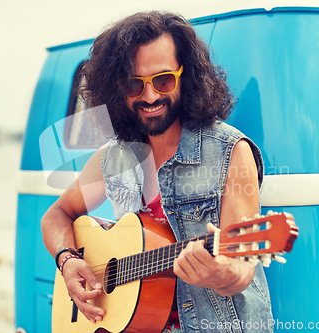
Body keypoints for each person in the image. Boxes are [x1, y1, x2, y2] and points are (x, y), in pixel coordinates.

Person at [41, 11, 273, 333]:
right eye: (134, 85)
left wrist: (219, 273)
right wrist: (68, 261)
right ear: (116, 90)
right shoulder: (113, 158)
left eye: (163, 81)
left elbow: (242, 267)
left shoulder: (230, 152)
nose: (150, 96)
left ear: (186, 75)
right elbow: (56, 216)